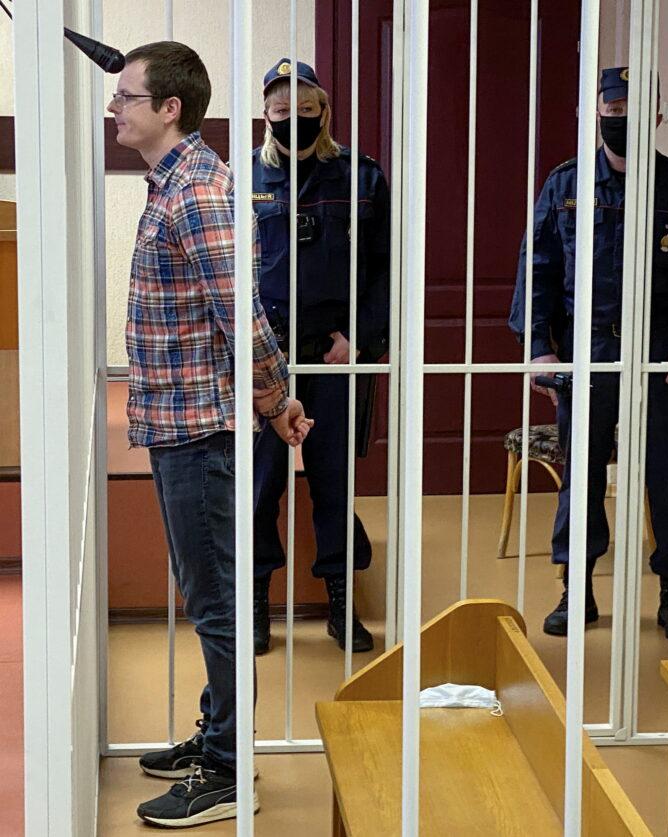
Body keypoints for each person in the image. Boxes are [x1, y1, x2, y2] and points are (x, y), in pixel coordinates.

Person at [109, 42, 313, 827]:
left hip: (200, 429)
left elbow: (241, 315)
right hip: (182, 424)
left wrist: (275, 398)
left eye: (127, 97)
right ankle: (218, 733)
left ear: (170, 108)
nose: (114, 107)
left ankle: (228, 769)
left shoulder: (194, 189)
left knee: (217, 603)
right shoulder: (179, 180)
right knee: (210, 597)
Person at [509, 67, 668, 642]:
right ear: (596, 114)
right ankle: (576, 590)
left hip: (662, 354)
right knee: (581, 476)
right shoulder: (566, 184)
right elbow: (538, 268)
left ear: (656, 117)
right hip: (587, 350)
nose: (622, 121)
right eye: (613, 111)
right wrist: (538, 349)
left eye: (634, 112)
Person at [249, 58, 390, 655]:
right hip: (267, 356)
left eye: (307, 110)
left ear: (325, 111)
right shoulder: (244, 177)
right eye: (283, 111)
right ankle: (256, 602)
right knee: (260, 485)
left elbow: (384, 269)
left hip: (335, 354)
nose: (295, 119)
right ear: (266, 114)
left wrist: (359, 338)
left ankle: (341, 602)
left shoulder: (360, 176)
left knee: (334, 482)